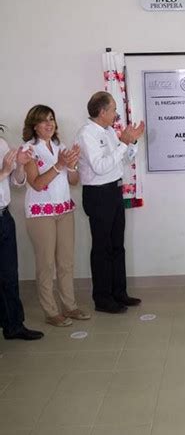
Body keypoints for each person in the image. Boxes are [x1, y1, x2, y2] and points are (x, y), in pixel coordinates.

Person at [75, 91, 144, 314]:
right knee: (102, 248)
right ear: (102, 111)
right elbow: (100, 166)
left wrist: (130, 142)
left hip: (114, 191)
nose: (116, 114)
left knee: (117, 245)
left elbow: (123, 159)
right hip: (98, 195)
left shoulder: (108, 131)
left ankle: (119, 292)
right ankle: (102, 298)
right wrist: (123, 144)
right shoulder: (87, 134)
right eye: (113, 109)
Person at [23, 105, 90, 327]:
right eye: (43, 120)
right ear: (34, 125)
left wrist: (70, 166)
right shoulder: (29, 150)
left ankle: (69, 307)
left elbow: (73, 181)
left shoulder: (59, 146)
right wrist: (59, 165)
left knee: (66, 262)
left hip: (63, 210)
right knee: (46, 264)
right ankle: (51, 312)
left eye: (51, 119)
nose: (49, 124)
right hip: (40, 213)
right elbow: (37, 183)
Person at [0, 129, 44, 340]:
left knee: (9, 276)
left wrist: (19, 165)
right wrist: (4, 171)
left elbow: (16, 183)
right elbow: (4, 175)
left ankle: (14, 325)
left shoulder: (1, 144)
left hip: (4, 217)